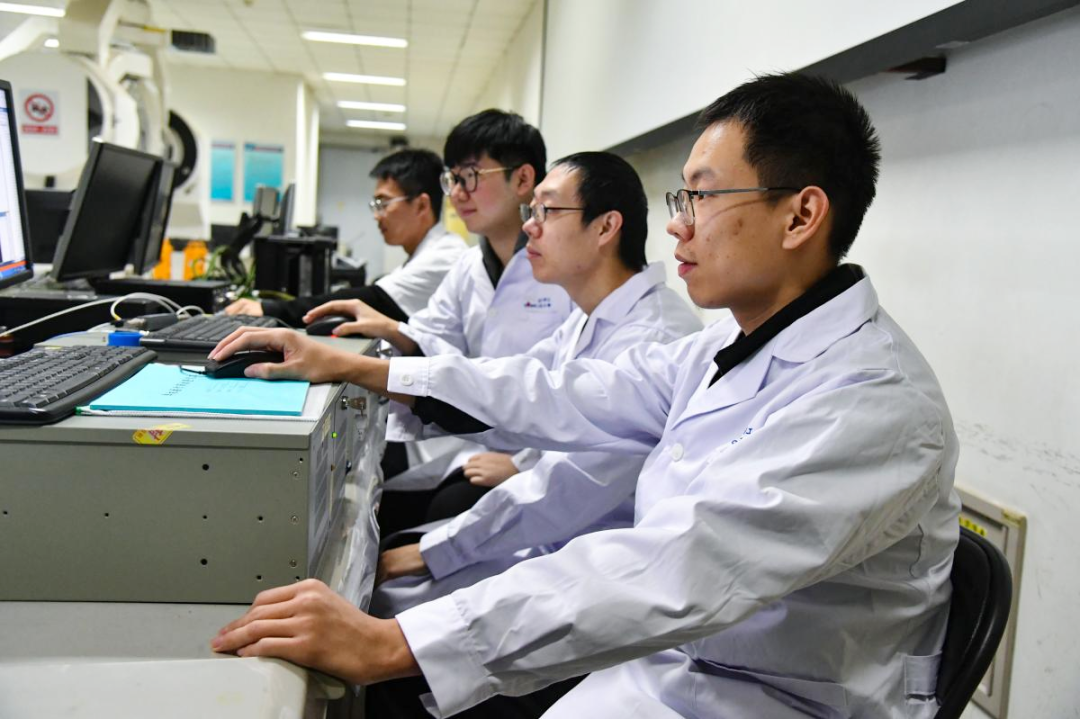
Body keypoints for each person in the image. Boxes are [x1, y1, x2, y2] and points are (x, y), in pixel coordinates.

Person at [211, 73, 960, 719]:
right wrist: (374, 370)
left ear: (800, 215)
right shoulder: (724, 345)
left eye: (701, 196)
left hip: (777, 697)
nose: (677, 224)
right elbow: (559, 391)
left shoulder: (874, 400)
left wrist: (398, 642)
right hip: (678, 665)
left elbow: (683, 564)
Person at [371, 151, 701, 629]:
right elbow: (511, 385)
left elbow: (566, 487)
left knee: (391, 610)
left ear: (606, 227)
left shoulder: (653, 337)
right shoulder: (589, 318)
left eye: (547, 210)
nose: (530, 225)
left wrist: (435, 551)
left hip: (591, 564)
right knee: (390, 581)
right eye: (532, 211)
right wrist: (382, 372)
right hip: (552, 537)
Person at [307, 110, 574, 536]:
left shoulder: (563, 272)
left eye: (470, 176)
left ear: (523, 179)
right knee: (364, 491)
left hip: (536, 458)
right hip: (470, 439)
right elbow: (433, 335)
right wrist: (391, 329)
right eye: (453, 179)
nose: (458, 193)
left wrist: (526, 465)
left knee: (407, 513)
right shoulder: (470, 265)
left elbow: (582, 394)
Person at [224, 148, 467, 327]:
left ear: (421, 205)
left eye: (383, 203)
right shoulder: (426, 251)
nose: (377, 216)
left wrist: (269, 309)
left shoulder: (445, 256)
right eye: (375, 205)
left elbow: (372, 300)